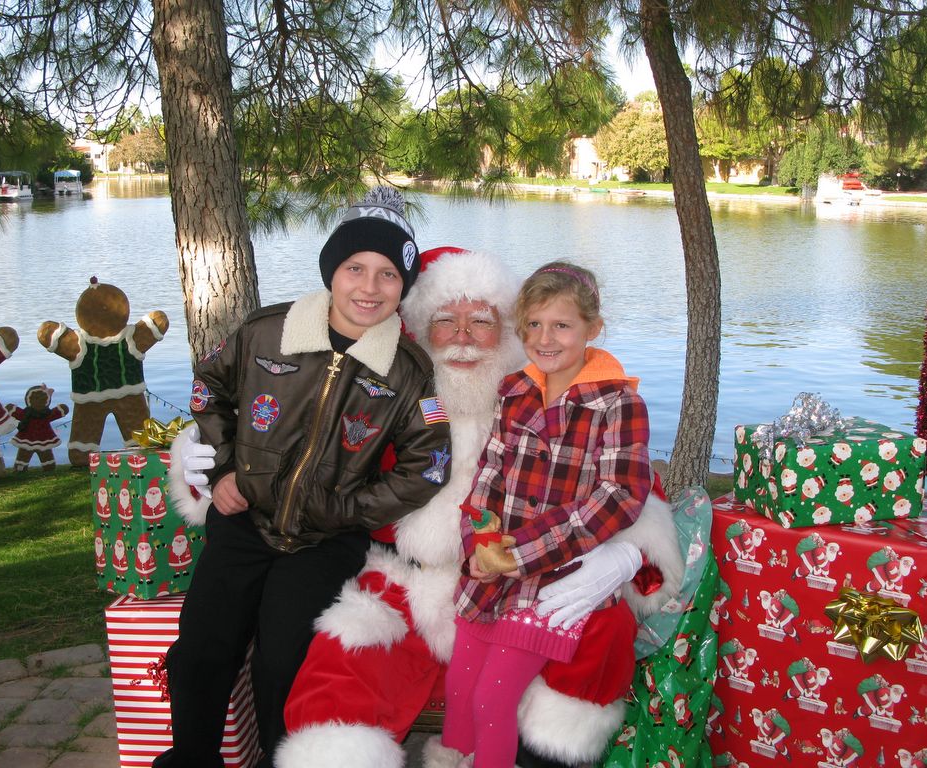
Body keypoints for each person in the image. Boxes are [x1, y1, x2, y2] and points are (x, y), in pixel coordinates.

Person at [275, 249, 683, 768]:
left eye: (481, 323)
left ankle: (544, 754)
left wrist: (625, 558)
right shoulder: (388, 400)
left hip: (535, 573)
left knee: (599, 635)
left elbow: (631, 491)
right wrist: (219, 462)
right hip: (413, 579)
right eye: (446, 321)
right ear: (421, 331)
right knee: (342, 662)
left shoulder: (544, 394)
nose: (463, 337)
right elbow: (305, 452)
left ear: (507, 334)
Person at [154, 187, 452, 768]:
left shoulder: (409, 373)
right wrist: (222, 467)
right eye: (355, 269)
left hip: (324, 540)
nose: (369, 287)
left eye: (388, 274)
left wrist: (351, 511)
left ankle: (276, 759)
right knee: (201, 650)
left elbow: (428, 465)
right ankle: (190, 758)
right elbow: (207, 388)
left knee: (283, 658)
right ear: (331, 271)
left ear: (404, 286)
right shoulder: (267, 332)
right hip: (244, 520)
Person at [440, 261, 655, 768]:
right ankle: (451, 759)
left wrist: (524, 553)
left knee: (493, 701)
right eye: (533, 324)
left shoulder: (618, 402)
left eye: (562, 325)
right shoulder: (514, 391)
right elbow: (487, 480)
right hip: (491, 575)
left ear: (592, 329)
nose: (546, 337)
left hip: (554, 581)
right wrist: (477, 545)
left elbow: (621, 493)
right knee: (459, 688)